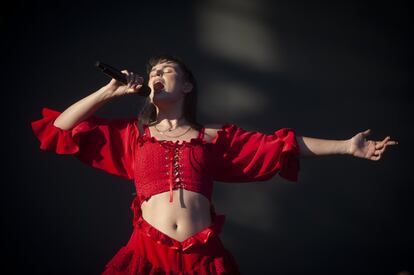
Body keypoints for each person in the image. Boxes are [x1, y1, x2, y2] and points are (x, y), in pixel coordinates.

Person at [31, 54, 398, 274]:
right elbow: (61, 129)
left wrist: (348, 146)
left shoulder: (214, 137)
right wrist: (110, 91)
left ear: (188, 86)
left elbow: (281, 145)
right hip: (147, 257)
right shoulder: (133, 136)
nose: (158, 74)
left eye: (167, 69)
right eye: (153, 71)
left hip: (203, 260)